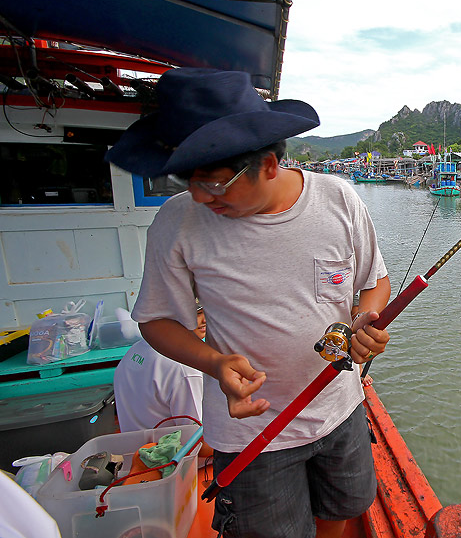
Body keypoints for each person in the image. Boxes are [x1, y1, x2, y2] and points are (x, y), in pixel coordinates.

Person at [105, 67, 391, 538]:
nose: (199, 196)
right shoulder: (178, 223)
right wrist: (215, 363)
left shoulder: (338, 200)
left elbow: (374, 283)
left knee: (343, 509)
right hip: (251, 431)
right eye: (187, 181)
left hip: (340, 408)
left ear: (269, 165)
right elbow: (156, 321)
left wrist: (361, 323)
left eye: (215, 182)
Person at [113, 306, 206, 432]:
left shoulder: (137, 349)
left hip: (131, 446)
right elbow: (196, 436)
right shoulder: (185, 367)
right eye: (198, 314)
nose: (205, 319)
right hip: (164, 450)